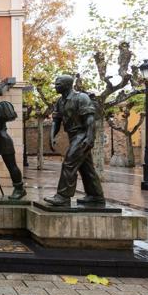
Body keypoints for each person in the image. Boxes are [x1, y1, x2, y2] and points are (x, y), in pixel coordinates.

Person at [43, 75, 105, 206]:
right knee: (86, 168)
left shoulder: (81, 97)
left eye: (58, 84)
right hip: (73, 136)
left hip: (82, 134)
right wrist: (51, 136)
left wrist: (89, 137)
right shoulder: (60, 101)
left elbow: (89, 119)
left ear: (66, 85)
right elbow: (56, 120)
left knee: (69, 163)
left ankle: (63, 196)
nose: (55, 86)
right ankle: (95, 195)